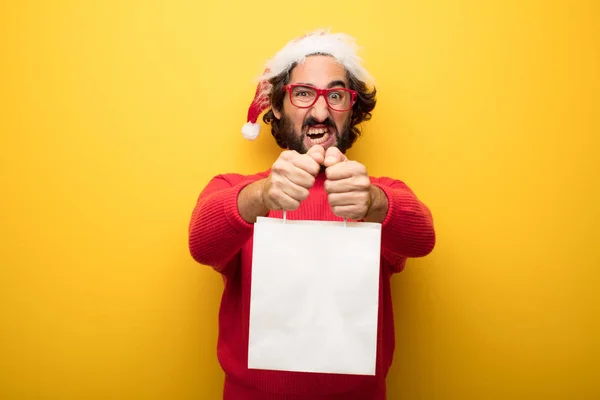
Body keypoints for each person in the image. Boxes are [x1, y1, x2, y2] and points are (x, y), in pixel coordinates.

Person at [188, 29, 436, 400]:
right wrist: (260, 196)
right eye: (303, 94)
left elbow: (422, 240)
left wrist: (375, 203)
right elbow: (201, 245)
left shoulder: (378, 193)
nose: (320, 111)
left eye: (335, 96)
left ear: (351, 108)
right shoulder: (235, 188)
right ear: (275, 106)